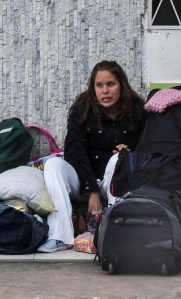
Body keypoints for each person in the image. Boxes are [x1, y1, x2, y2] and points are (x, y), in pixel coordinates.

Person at [39, 60, 146, 253]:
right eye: (99, 85)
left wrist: (130, 153)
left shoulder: (137, 109)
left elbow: (148, 145)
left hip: (115, 181)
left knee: (118, 159)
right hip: (85, 181)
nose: (105, 91)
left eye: (111, 84)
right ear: (93, 87)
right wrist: (91, 190)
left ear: (121, 85)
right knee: (53, 165)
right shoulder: (83, 108)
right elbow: (74, 151)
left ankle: (113, 234)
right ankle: (59, 236)